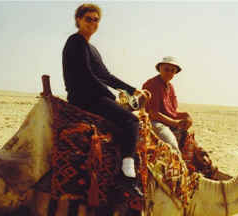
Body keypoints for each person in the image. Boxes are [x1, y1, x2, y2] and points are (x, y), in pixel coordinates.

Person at [62, 3, 145, 195]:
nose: (92, 23)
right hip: (84, 98)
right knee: (131, 120)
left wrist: (132, 90)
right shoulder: (75, 42)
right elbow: (85, 75)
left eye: (96, 19)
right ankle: (127, 174)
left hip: (96, 95)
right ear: (78, 20)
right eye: (88, 19)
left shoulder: (92, 49)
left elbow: (106, 75)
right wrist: (113, 96)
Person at [142, 56, 192, 151]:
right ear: (160, 69)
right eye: (166, 69)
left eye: (172, 70)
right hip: (153, 121)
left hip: (166, 121)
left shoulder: (170, 87)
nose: (169, 73)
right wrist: (174, 123)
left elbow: (172, 111)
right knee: (172, 146)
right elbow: (153, 113)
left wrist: (186, 116)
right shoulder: (152, 84)